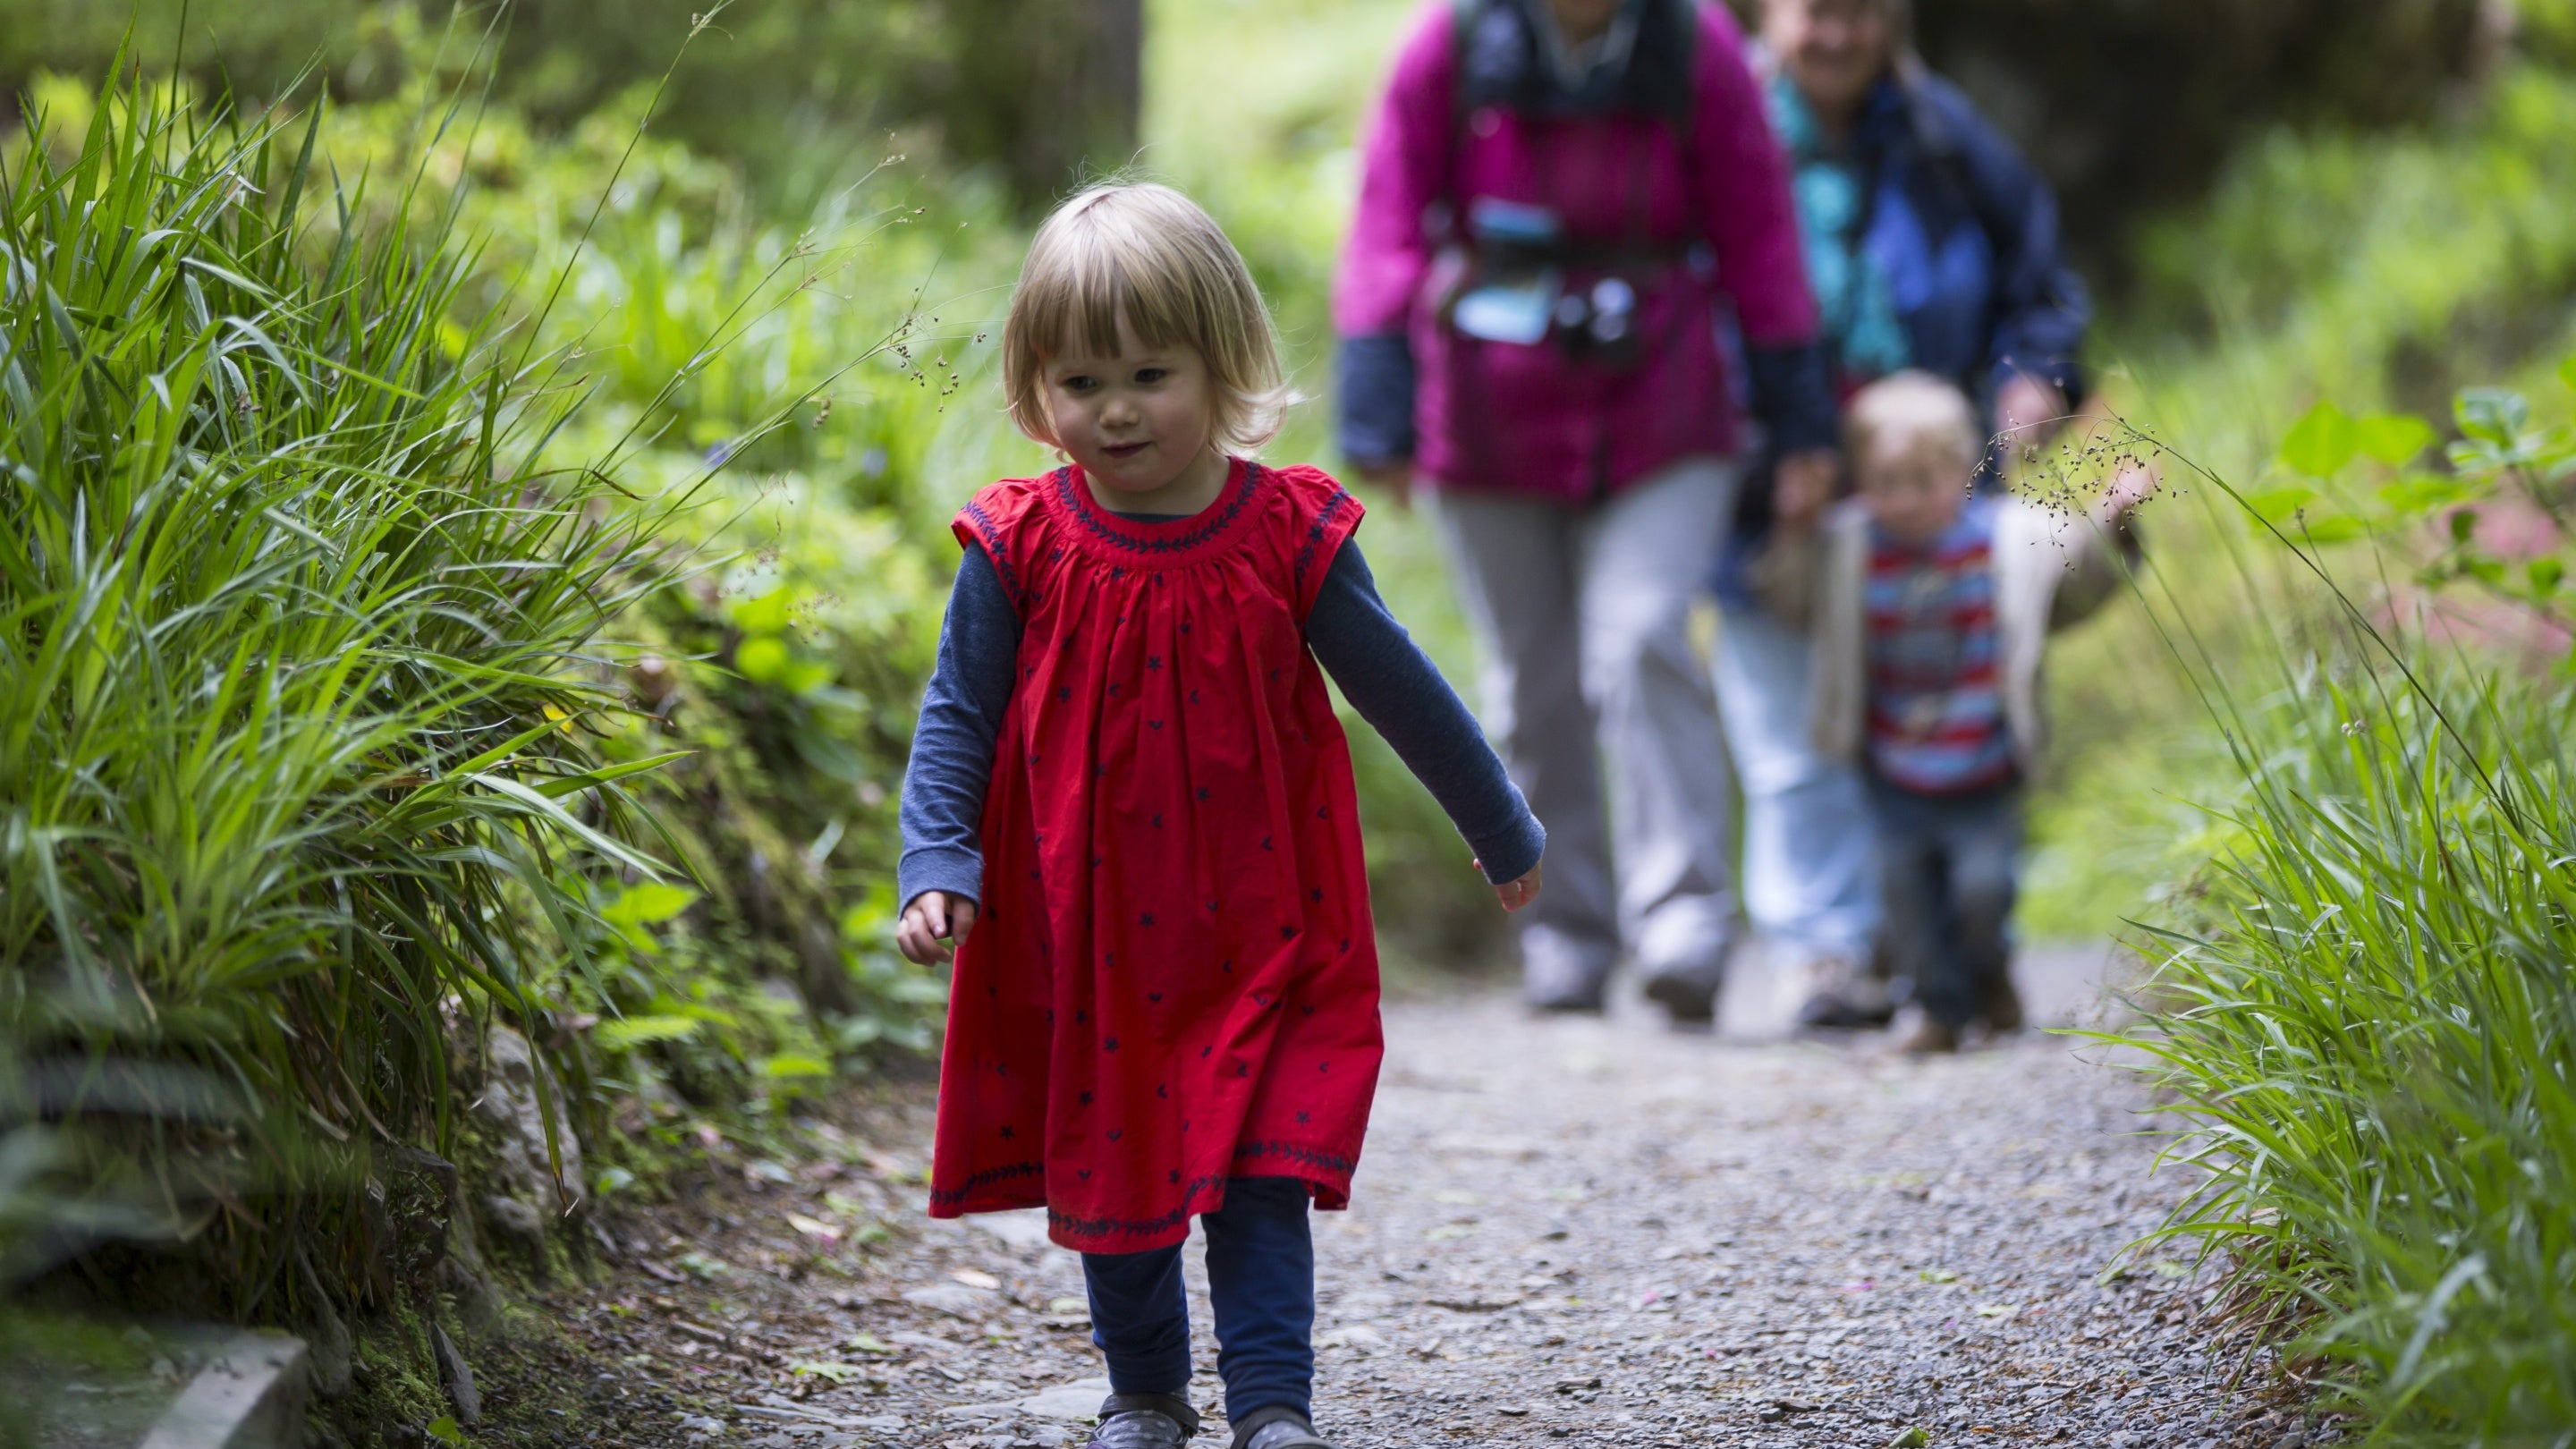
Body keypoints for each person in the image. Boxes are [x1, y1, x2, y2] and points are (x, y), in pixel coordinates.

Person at [894, 183, 1546, 1449]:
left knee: (1261, 1171)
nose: (1118, 408)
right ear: (1036, 389)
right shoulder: (1018, 544)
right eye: (1081, 381)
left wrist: (1500, 823)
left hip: (1265, 922)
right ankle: (1144, 1391)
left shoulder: (1284, 534)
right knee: (1114, 1169)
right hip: (1095, 936)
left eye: (1152, 372)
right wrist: (938, 859)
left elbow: (1396, 685)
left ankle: (1271, 1405)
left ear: (1224, 365)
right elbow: (957, 717)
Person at [1335, 0, 1836, 1021]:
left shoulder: (1700, 47)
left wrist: (1802, 428)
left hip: (1667, 405)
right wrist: (1378, 409)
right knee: (1530, 679)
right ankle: (1562, 933)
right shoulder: (1452, 41)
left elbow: (1762, 239)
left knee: (1644, 636)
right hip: (1487, 417)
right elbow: (1387, 216)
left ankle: (1685, 926)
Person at [1716, 0, 2097, 1029]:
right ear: (1769, 18)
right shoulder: (1720, 121)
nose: (1835, 37)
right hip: (1767, 481)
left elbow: (2039, 283)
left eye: (1857, 15)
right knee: (1794, 735)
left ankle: (1922, 954)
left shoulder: (1942, 133)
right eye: (1813, 15)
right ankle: (1820, 956)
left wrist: (2033, 381)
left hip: (1932, 490)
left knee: (1932, 713)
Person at [1751, 371, 2149, 1054]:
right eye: (1884, 481)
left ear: (1963, 469)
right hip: (1891, 769)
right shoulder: (1848, 545)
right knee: (1904, 898)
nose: (1902, 500)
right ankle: (1939, 1009)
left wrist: (2114, 520)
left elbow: (2079, 583)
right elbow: (1787, 601)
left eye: (1921, 480)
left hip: (1985, 765)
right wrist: (1792, 527)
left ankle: (1988, 974)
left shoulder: (2010, 537)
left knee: (1982, 891)